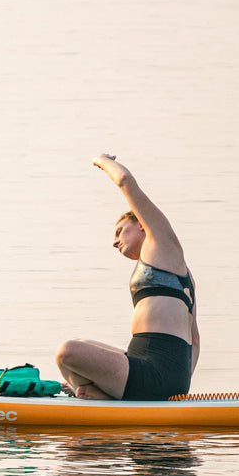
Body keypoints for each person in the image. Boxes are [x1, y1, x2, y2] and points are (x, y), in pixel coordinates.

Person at [55, 155, 199, 401]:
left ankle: (102, 397)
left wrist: (101, 160)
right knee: (81, 344)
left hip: (157, 371)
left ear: (142, 225)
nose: (114, 241)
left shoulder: (162, 243)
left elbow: (125, 180)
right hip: (158, 370)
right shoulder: (180, 272)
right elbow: (194, 339)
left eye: (120, 231)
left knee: (66, 353)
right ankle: (98, 395)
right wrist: (181, 387)